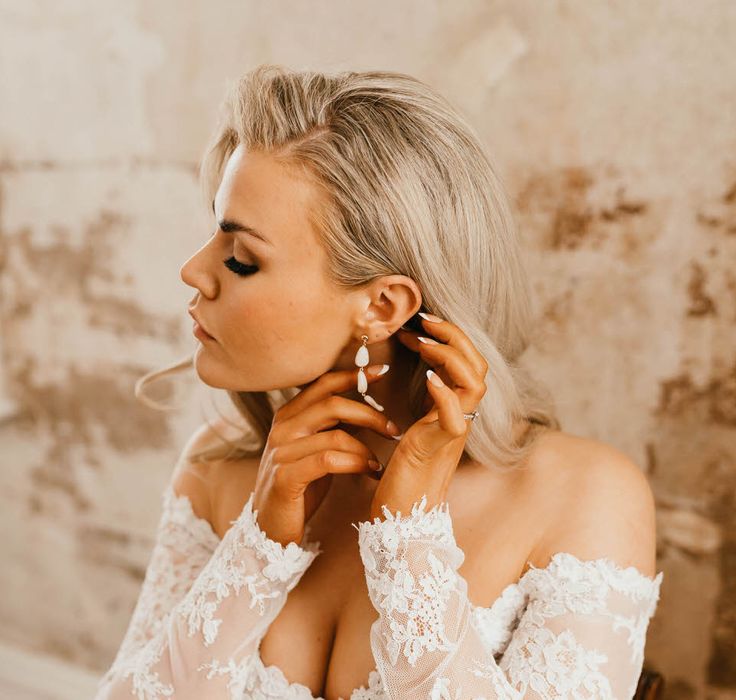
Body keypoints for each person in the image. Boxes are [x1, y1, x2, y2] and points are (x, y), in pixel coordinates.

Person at [95, 64, 663, 699]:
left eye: (241, 259)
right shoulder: (218, 465)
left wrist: (409, 537)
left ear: (384, 307)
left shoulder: (584, 498)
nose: (193, 271)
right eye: (213, 233)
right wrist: (254, 547)